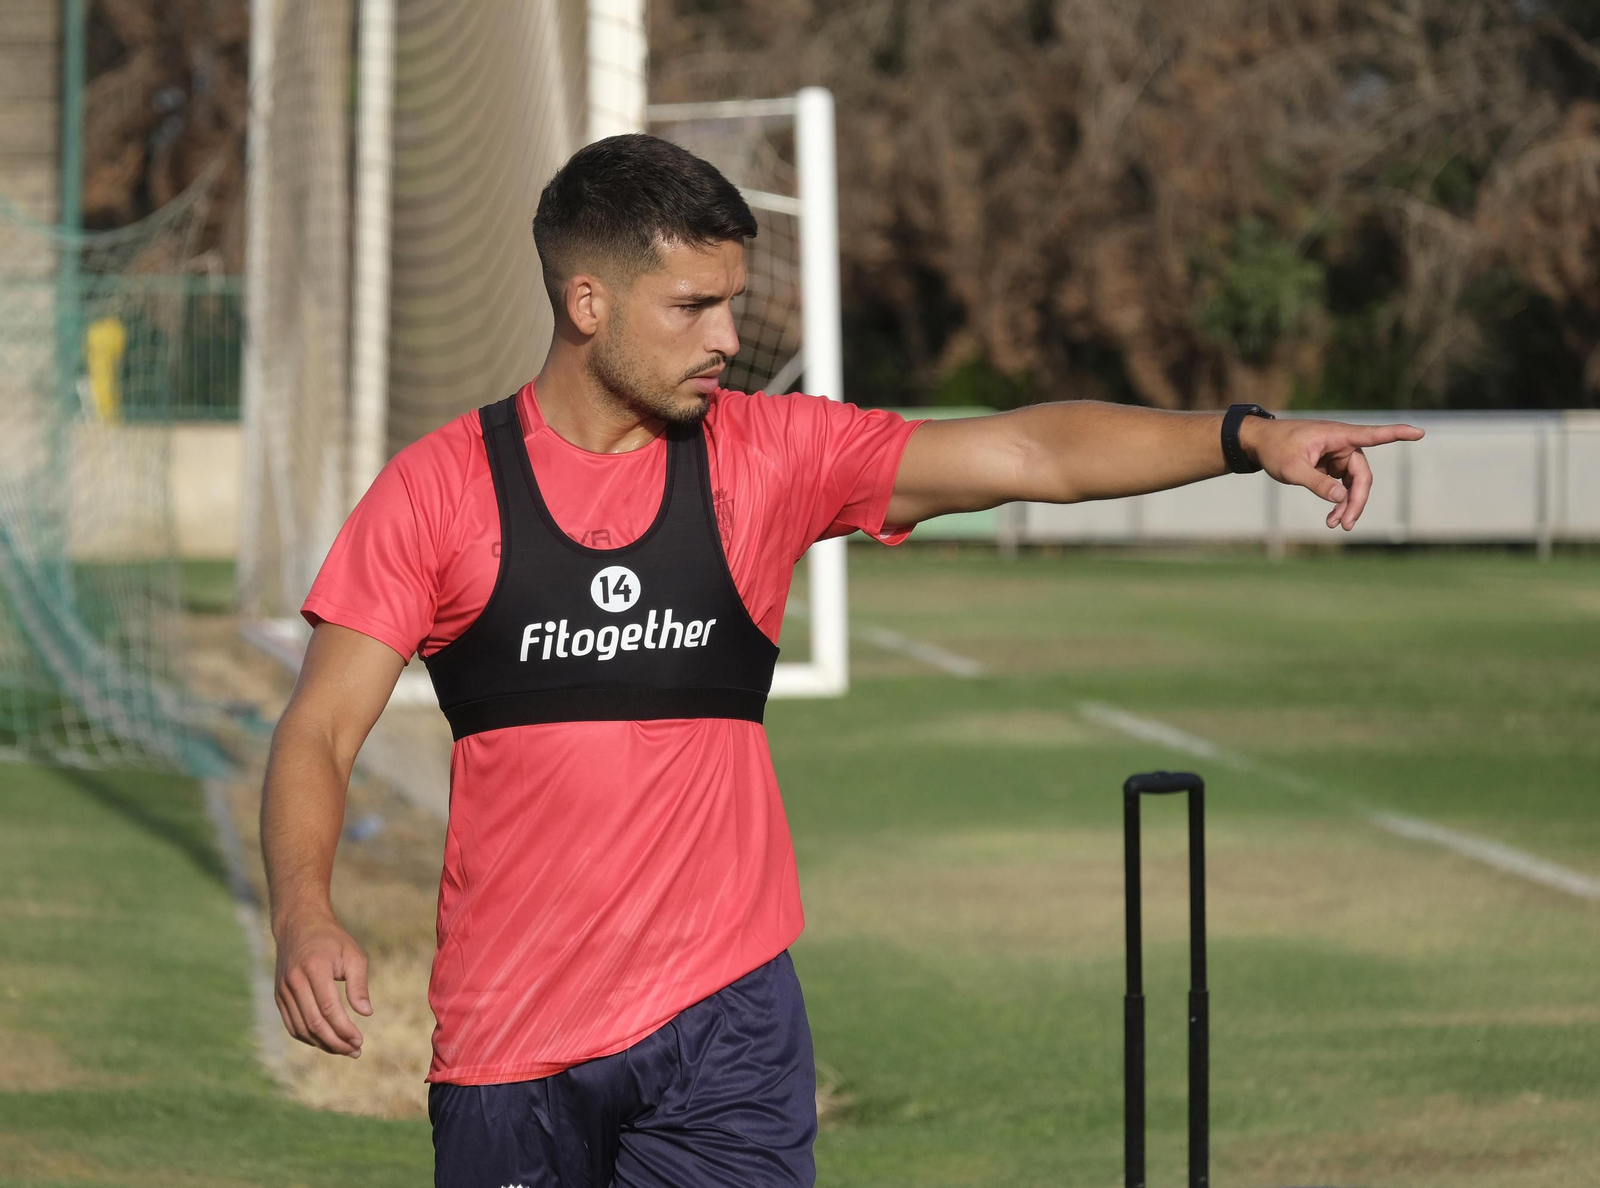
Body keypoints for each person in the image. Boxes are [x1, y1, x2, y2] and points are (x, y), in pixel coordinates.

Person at [258, 133, 1423, 1187]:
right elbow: (318, 730)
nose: (728, 338)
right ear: (587, 301)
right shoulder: (440, 490)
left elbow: (1026, 451)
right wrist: (305, 914)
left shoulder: (768, 458)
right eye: (693, 307)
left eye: (735, 304)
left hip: (726, 1028)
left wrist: (1246, 435)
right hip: (511, 1038)